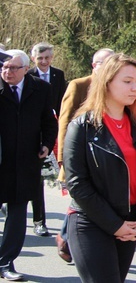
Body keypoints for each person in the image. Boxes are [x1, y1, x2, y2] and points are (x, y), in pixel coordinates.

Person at [63, 53, 136, 282]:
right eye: (127, 81)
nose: (134, 88)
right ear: (106, 83)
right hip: (91, 222)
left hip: (130, 223)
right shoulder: (82, 126)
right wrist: (115, 225)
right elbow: (77, 183)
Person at [0, 50, 58, 281]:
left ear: (26, 69)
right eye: (4, 67)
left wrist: (46, 144)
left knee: (17, 212)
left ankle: (6, 262)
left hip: (25, 161)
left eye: (13, 68)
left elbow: (48, 120)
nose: (7, 72)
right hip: (1, 158)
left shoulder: (40, 89)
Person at [55, 47, 114, 263]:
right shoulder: (79, 85)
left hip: (103, 157)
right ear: (94, 66)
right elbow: (64, 121)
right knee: (80, 196)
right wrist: (63, 157)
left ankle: (67, 236)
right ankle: (66, 237)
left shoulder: (113, 87)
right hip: (79, 154)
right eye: (104, 64)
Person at [28, 42, 67, 237]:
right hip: (36, 132)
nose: (44, 62)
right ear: (33, 58)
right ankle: (38, 221)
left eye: (47, 58)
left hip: (55, 130)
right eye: (40, 58)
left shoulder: (58, 75)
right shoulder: (29, 76)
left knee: (50, 176)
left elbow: (62, 102)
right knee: (38, 179)